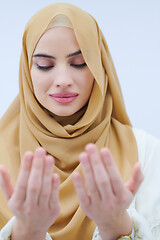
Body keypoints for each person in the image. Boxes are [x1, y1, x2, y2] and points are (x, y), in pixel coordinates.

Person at [0, 2, 160, 240]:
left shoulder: (145, 152)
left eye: (79, 63)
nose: (63, 79)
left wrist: (116, 225)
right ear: (27, 71)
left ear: (99, 67)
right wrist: (26, 232)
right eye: (45, 65)